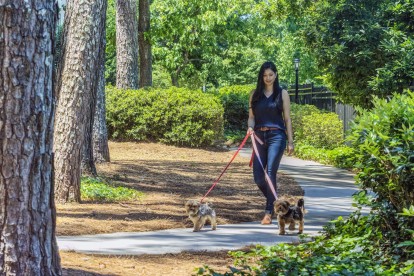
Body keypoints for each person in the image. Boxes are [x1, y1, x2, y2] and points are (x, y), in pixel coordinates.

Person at [247, 61, 294, 225]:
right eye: (265, 75)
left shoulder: (283, 94)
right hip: (259, 136)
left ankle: (268, 212)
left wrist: (291, 141)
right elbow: (251, 117)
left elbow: (287, 119)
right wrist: (250, 128)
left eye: (271, 75)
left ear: (275, 75)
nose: (268, 78)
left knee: (270, 172)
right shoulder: (254, 94)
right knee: (259, 178)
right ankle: (277, 202)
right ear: (261, 76)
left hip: (277, 136)